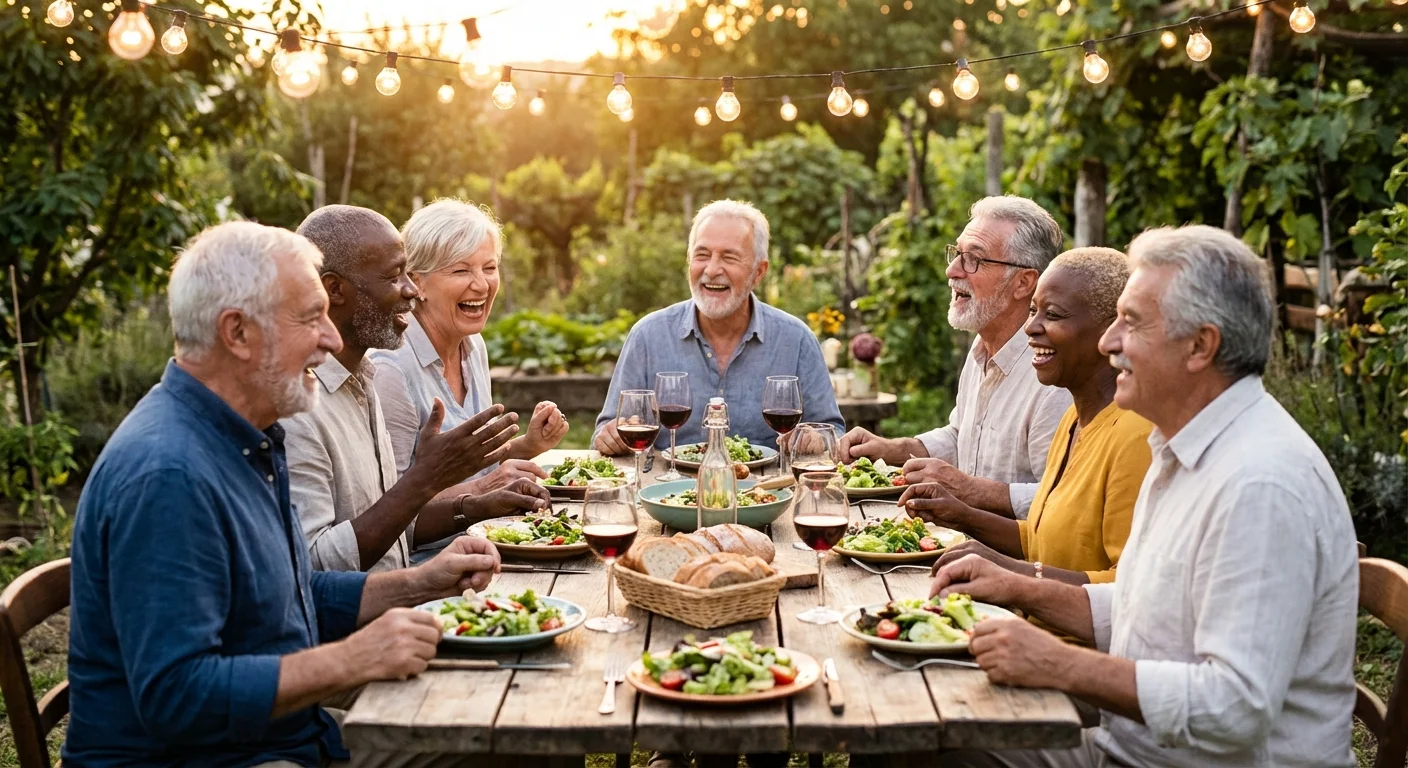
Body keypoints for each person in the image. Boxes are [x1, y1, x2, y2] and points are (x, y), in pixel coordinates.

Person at [65, 222, 505, 768]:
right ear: (238, 333)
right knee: (498, 745)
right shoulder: (167, 473)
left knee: (509, 724)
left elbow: (290, 594)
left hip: (285, 733)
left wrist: (419, 582)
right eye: (309, 318)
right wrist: (352, 659)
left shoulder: (246, 436)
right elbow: (176, 694)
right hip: (220, 757)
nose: (329, 337)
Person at [933, 225, 1359, 768]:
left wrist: (1058, 663)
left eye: (1131, 323)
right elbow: (1140, 605)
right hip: (1129, 746)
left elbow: (1235, 708)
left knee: (931, 740)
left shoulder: (1260, 482)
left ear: (1201, 346)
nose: (1110, 342)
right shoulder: (1185, 446)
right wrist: (1021, 586)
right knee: (920, 726)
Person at [286, 205, 550, 573]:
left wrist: (478, 503)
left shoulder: (361, 375)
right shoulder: (300, 405)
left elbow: (390, 524)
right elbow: (313, 569)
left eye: (489, 267)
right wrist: (427, 483)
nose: (409, 291)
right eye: (396, 277)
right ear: (335, 289)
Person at [899, 248, 1152, 588]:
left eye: (1054, 315)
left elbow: (1127, 591)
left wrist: (1012, 574)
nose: (1031, 327)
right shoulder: (1075, 420)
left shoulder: (1135, 436)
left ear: (1112, 331)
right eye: (1033, 310)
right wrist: (963, 516)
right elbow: (1044, 537)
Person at [838, 196, 1070, 520]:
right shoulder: (982, 347)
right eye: (957, 253)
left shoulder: (1053, 379)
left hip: (1017, 566)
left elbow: (1064, 498)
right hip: (962, 547)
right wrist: (893, 450)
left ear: (1023, 283)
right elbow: (960, 436)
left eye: (974, 259)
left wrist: (969, 489)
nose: (952, 270)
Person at [593, 199, 844, 455]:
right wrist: (611, 437)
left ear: (759, 272)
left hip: (768, 492)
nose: (712, 270)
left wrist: (817, 439)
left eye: (729, 257)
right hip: (665, 491)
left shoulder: (797, 340)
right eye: (702, 255)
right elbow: (605, 432)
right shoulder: (647, 336)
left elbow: (833, 431)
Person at [371, 198, 568, 488]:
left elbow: (470, 468)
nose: (482, 284)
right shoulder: (391, 370)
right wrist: (486, 489)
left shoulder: (473, 346)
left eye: (489, 267)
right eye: (461, 271)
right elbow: (389, 509)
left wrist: (529, 445)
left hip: (480, 530)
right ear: (417, 283)